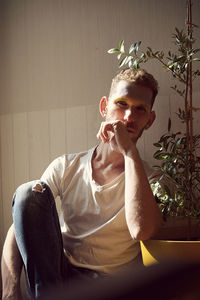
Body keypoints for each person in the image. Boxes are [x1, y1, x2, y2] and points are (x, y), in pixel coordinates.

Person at [1, 68, 163, 300]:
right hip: (59, 279)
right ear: (104, 107)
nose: (128, 116)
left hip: (113, 288)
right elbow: (20, 225)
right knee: (30, 192)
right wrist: (9, 292)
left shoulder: (152, 179)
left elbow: (141, 230)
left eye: (140, 109)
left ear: (150, 120)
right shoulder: (67, 166)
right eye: (122, 103)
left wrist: (129, 151)